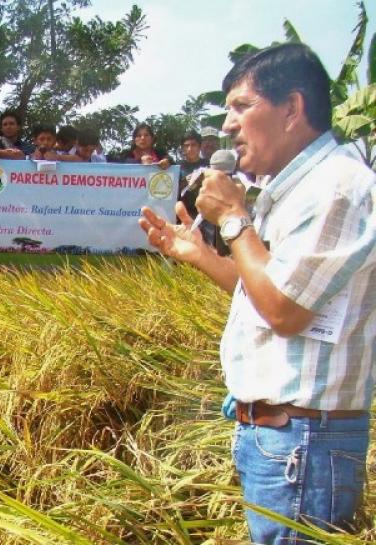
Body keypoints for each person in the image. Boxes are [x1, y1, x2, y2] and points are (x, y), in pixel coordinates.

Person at [139, 43, 375, 544]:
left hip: (304, 444)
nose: (227, 126)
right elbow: (266, 293)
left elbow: (285, 311)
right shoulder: (291, 191)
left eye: (241, 107)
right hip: (281, 440)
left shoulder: (337, 187)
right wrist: (201, 255)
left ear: (291, 109)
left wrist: (231, 218)